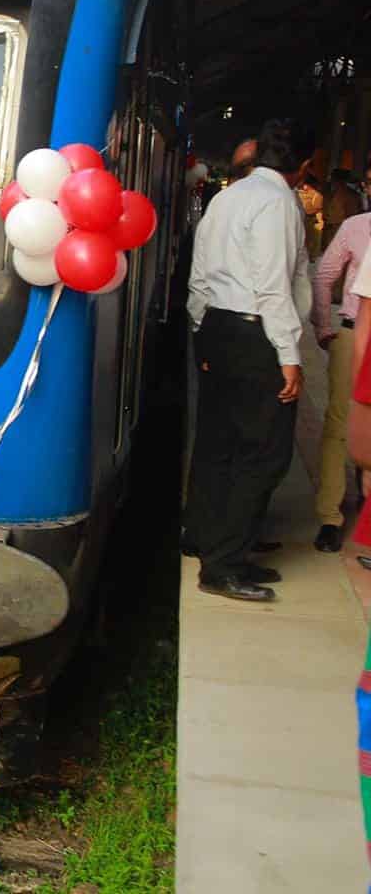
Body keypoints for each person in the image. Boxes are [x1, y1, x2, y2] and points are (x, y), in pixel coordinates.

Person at [185, 120, 308, 602]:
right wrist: (290, 354)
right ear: (304, 164)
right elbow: (274, 286)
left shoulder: (227, 196)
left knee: (218, 442)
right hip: (256, 332)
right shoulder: (278, 203)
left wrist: (202, 333)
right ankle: (225, 564)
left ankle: (202, 536)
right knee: (264, 453)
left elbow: (199, 274)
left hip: (217, 325)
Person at [311, 207, 371, 550]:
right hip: (353, 334)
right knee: (340, 423)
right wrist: (322, 326)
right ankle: (330, 516)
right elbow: (324, 276)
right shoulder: (355, 226)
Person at [323, 168, 362, 251]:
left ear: (340, 180)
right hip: (331, 231)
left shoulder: (350, 195)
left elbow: (352, 216)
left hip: (341, 232)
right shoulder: (330, 192)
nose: (331, 181)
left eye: (333, 178)